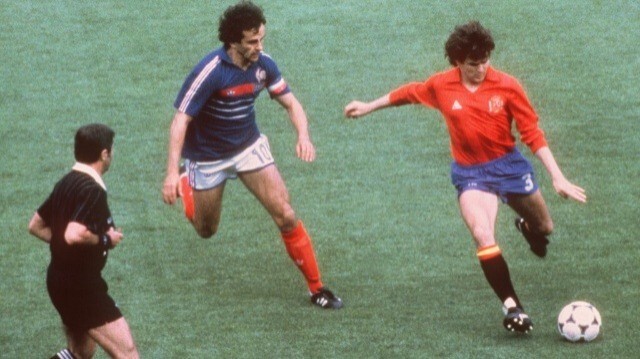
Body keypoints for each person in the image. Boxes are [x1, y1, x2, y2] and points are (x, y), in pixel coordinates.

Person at [344, 21, 586, 333]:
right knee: (483, 234)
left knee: (544, 226)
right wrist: (368, 106)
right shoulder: (442, 85)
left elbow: (532, 134)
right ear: (458, 62)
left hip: (510, 168)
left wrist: (558, 177)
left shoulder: (508, 86)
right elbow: (409, 93)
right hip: (471, 174)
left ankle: (527, 226)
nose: (482, 68)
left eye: (486, 60)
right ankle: (512, 306)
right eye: (474, 64)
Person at [161, 1, 342, 309]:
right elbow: (181, 121)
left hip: (248, 147)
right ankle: (185, 181)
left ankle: (317, 288)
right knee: (206, 230)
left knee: (285, 214)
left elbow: (292, 104)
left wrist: (303, 136)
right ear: (233, 41)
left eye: (262, 39)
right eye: (252, 42)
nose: (260, 46)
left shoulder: (264, 65)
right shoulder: (210, 71)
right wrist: (169, 173)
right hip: (208, 158)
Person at [28, 124, 139, 358]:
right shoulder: (92, 190)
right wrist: (106, 239)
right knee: (127, 352)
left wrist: (64, 248)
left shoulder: (66, 182)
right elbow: (73, 233)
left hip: (59, 282)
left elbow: (36, 225)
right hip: (82, 288)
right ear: (104, 154)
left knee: (81, 352)